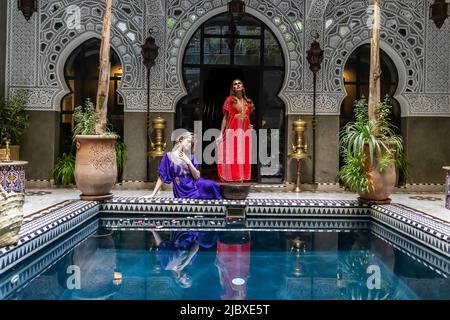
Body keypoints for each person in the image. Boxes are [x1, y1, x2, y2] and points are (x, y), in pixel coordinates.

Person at [146, 131, 222, 199]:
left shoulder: (191, 157)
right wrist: (153, 194)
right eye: (188, 141)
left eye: (191, 143)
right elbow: (161, 177)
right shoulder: (169, 156)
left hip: (194, 184)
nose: (189, 145)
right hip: (181, 189)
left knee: (213, 185)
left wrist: (188, 161)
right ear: (181, 140)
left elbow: (197, 176)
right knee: (208, 190)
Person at [151, 230, 218, 288]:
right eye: (190, 279)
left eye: (187, 280)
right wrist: (187, 259)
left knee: (208, 243)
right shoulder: (190, 263)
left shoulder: (167, 265)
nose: (188, 278)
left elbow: (161, 244)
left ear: (178, 280)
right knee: (208, 243)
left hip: (180, 232)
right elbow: (196, 245)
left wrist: (153, 231)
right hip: (195, 234)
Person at [217, 79, 255, 182]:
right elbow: (225, 118)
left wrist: (250, 126)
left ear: (243, 87)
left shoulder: (247, 102)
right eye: (235, 84)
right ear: (233, 88)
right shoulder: (230, 100)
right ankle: (233, 178)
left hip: (245, 133)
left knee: (243, 155)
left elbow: (247, 117)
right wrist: (221, 133)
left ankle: (241, 178)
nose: (237, 85)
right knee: (233, 155)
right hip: (232, 132)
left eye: (239, 83)